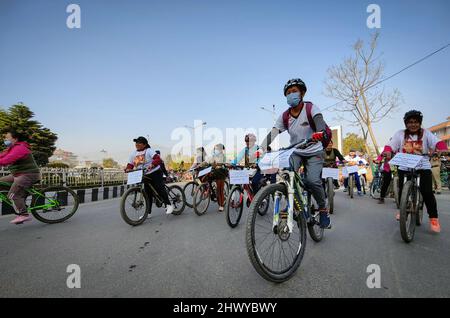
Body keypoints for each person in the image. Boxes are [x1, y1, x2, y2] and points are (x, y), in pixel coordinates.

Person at [260, 78, 331, 229]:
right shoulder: (285, 116)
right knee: (287, 174)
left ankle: (323, 208)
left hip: (314, 150)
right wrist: (261, 148)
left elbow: (319, 122)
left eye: (294, 91)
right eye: (288, 93)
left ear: (302, 93)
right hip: (296, 150)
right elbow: (274, 132)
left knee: (312, 180)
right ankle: (293, 203)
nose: (291, 95)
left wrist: (319, 132)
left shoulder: (311, 108)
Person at [382, 110, 448, 233]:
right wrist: (387, 151)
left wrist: (442, 148)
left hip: (423, 164)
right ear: (406, 124)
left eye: (416, 122)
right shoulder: (400, 134)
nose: (413, 124)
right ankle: (403, 210)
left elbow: (438, 142)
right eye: (410, 122)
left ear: (420, 123)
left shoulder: (426, 133)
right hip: (405, 163)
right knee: (402, 189)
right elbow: (390, 145)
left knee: (427, 191)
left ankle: (433, 218)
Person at [0, 129, 41, 225]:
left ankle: (24, 214)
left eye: (7, 137)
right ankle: (21, 197)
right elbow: (2, 156)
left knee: (13, 195)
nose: (5, 139)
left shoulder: (20, 148)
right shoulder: (11, 148)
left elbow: (6, 160)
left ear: (15, 139)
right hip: (18, 174)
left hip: (28, 175)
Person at [125, 136, 174, 215]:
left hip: (155, 172)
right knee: (148, 194)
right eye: (136, 143)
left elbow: (158, 159)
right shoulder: (133, 154)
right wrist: (127, 169)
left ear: (144, 144)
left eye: (139, 143)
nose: (137, 144)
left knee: (159, 188)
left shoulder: (149, 151)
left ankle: (169, 205)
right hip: (144, 174)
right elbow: (130, 164)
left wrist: (152, 164)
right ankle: (148, 213)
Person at [208, 144, 228, 212]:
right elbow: (209, 162)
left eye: (217, 149)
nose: (215, 150)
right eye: (215, 148)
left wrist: (215, 164)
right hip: (215, 172)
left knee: (220, 190)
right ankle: (211, 193)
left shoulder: (223, 156)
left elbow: (221, 163)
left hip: (221, 173)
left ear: (220, 149)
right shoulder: (213, 155)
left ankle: (221, 205)